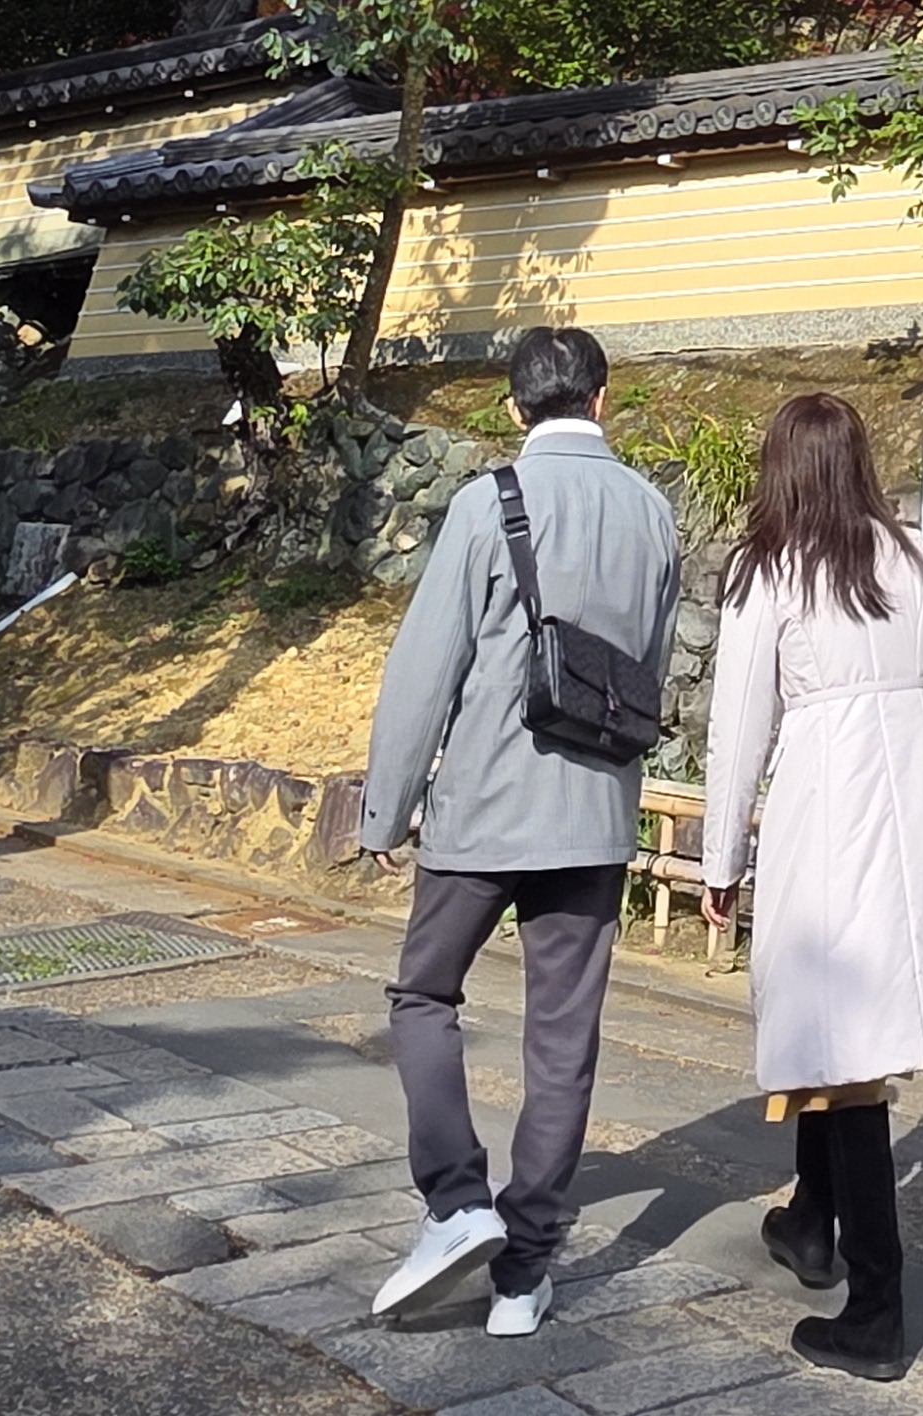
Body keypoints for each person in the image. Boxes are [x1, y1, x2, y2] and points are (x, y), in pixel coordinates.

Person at [357, 323, 681, 1338]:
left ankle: (457, 1200)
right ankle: (523, 1274)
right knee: (562, 1038)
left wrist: (385, 805)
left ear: (513, 408)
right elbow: (650, 669)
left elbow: (426, 667)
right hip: (593, 815)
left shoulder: (486, 502)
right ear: (601, 399)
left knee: (423, 994)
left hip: (485, 807)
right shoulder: (652, 510)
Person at [699, 390, 923, 1384]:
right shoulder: (911, 554)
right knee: (843, 1029)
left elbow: (739, 725)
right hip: (907, 806)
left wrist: (720, 861)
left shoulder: (771, 568)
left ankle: (876, 1309)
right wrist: (898, 706)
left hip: (822, 805)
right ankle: (810, 1218)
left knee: (845, 1046)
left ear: (781, 467)